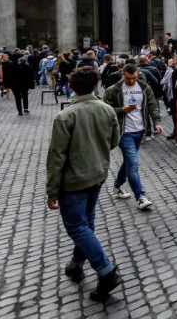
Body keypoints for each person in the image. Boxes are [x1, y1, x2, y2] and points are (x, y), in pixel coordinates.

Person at [45, 66, 123, 303]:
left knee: (78, 227)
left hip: (73, 181)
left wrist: (51, 191)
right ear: (97, 86)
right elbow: (114, 140)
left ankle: (106, 271)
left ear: (70, 88)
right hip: (98, 175)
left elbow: (56, 157)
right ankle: (76, 264)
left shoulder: (65, 116)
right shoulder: (107, 109)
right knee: (86, 221)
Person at [103, 64, 164, 210]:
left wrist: (157, 122)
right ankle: (140, 197)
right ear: (122, 74)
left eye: (134, 78)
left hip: (140, 130)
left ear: (138, 74)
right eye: (127, 78)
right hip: (124, 132)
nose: (131, 81)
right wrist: (121, 110)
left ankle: (117, 186)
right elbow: (105, 110)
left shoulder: (144, 87)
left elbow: (151, 106)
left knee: (128, 162)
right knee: (133, 164)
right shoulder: (113, 90)